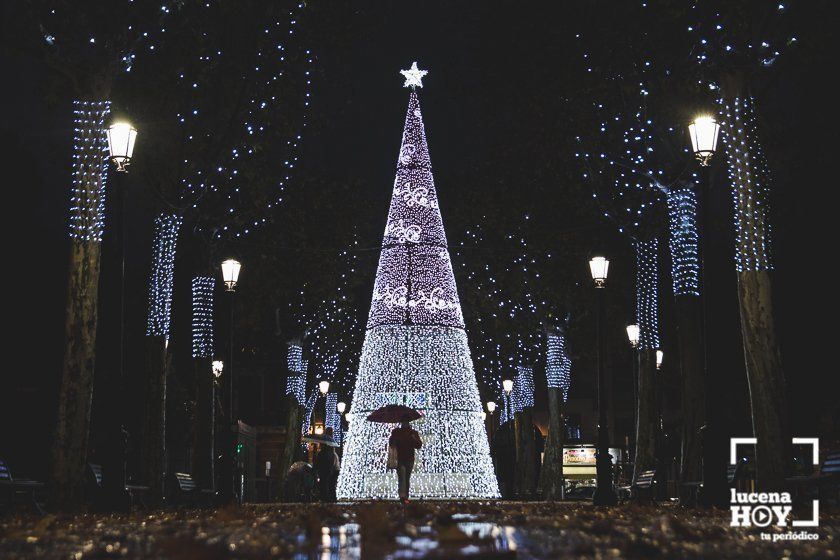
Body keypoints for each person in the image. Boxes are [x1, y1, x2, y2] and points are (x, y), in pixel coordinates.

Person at [389, 419, 422, 503]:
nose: (405, 423)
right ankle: (402, 496)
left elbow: (418, 445)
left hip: (409, 458)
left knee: (406, 478)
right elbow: (391, 443)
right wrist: (393, 438)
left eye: (406, 422)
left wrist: (413, 438)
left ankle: (405, 496)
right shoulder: (396, 432)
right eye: (403, 422)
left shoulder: (413, 433)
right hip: (399, 458)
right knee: (402, 477)